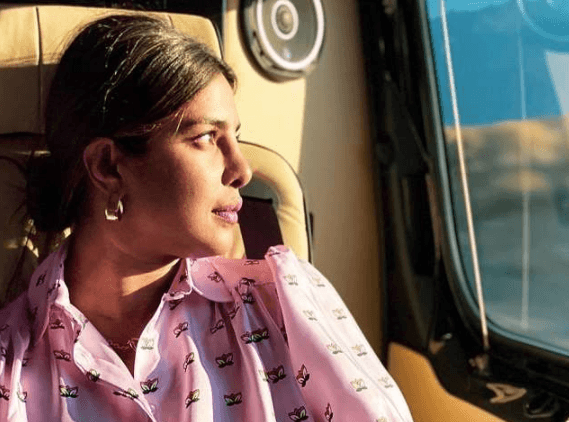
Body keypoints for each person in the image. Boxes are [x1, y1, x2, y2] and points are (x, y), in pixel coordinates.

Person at [0, 14, 414, 422]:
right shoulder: (10, 364)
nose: (242, 170)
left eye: (235, 136)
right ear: (108, 166)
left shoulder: (282, 305)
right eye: (205, 138)